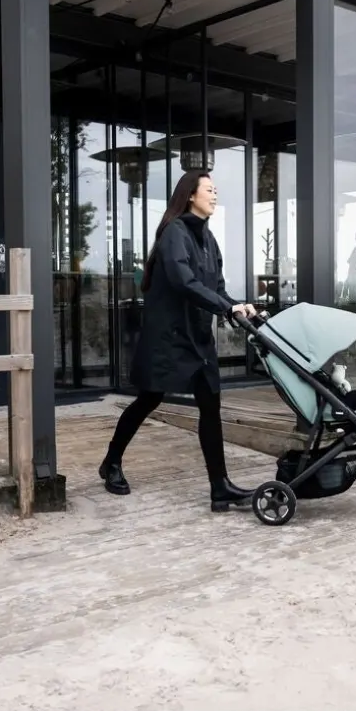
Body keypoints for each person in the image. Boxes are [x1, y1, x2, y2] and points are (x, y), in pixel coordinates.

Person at [98, 170, 259, 511]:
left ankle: (220, 487)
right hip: (170, 337)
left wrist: (237, 306)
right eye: (209, 190)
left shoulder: (208, 239)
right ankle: (111, 461)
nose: (214, 195)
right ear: (190, 195)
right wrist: (225, 306)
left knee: (210, 406)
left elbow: (216, 287)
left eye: (215, 190)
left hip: (198, 337)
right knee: (149, 399)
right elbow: (183, 281)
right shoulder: (175, 233)